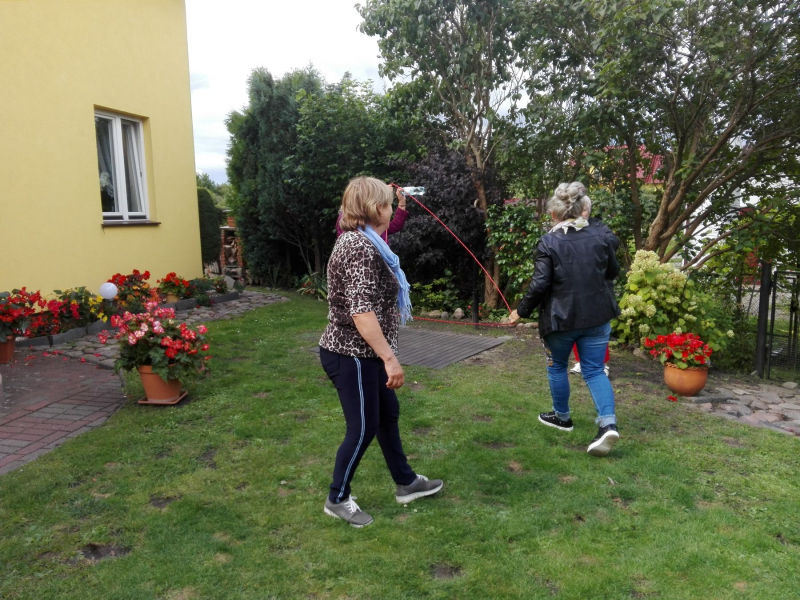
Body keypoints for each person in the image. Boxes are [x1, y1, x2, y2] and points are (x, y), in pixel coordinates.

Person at [319, 176, 443, 527]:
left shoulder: (367, 242)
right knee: (362, 428)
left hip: (363, 352)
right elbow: (361, 312)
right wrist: (390, 358)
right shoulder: (358, 247)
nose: (392, 210)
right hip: (351, 354)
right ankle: (337, 498)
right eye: (389, 204)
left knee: (387, 415)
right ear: (376, 208)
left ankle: (406, 483)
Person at [508, 182, 621, 456]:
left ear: (554, 214)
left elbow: (540, 284)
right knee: (594, 370)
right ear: (583, 209)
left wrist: (519, 312)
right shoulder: (601, 235)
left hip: (560, 321)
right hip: (597, 316)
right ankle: (608, 424)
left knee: (557, 366)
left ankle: (562, 417)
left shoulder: (549, 241)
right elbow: (613, 272)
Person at [569, 197, 615, 377]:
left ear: (588, 211)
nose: (581, 213)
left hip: (595, 287)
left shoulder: (598, 230)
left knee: (597, 326)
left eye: (584, 209)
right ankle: (580, 361)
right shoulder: (567, 230)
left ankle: (602, 364)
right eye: (578, 209)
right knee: (574, 325)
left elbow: (610, 250)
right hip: (574, 287)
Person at [335, 186, 408, 242]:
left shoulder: (370, 216)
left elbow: (394, 226)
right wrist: (382, 194)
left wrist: (402, 202)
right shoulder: (346, 218)